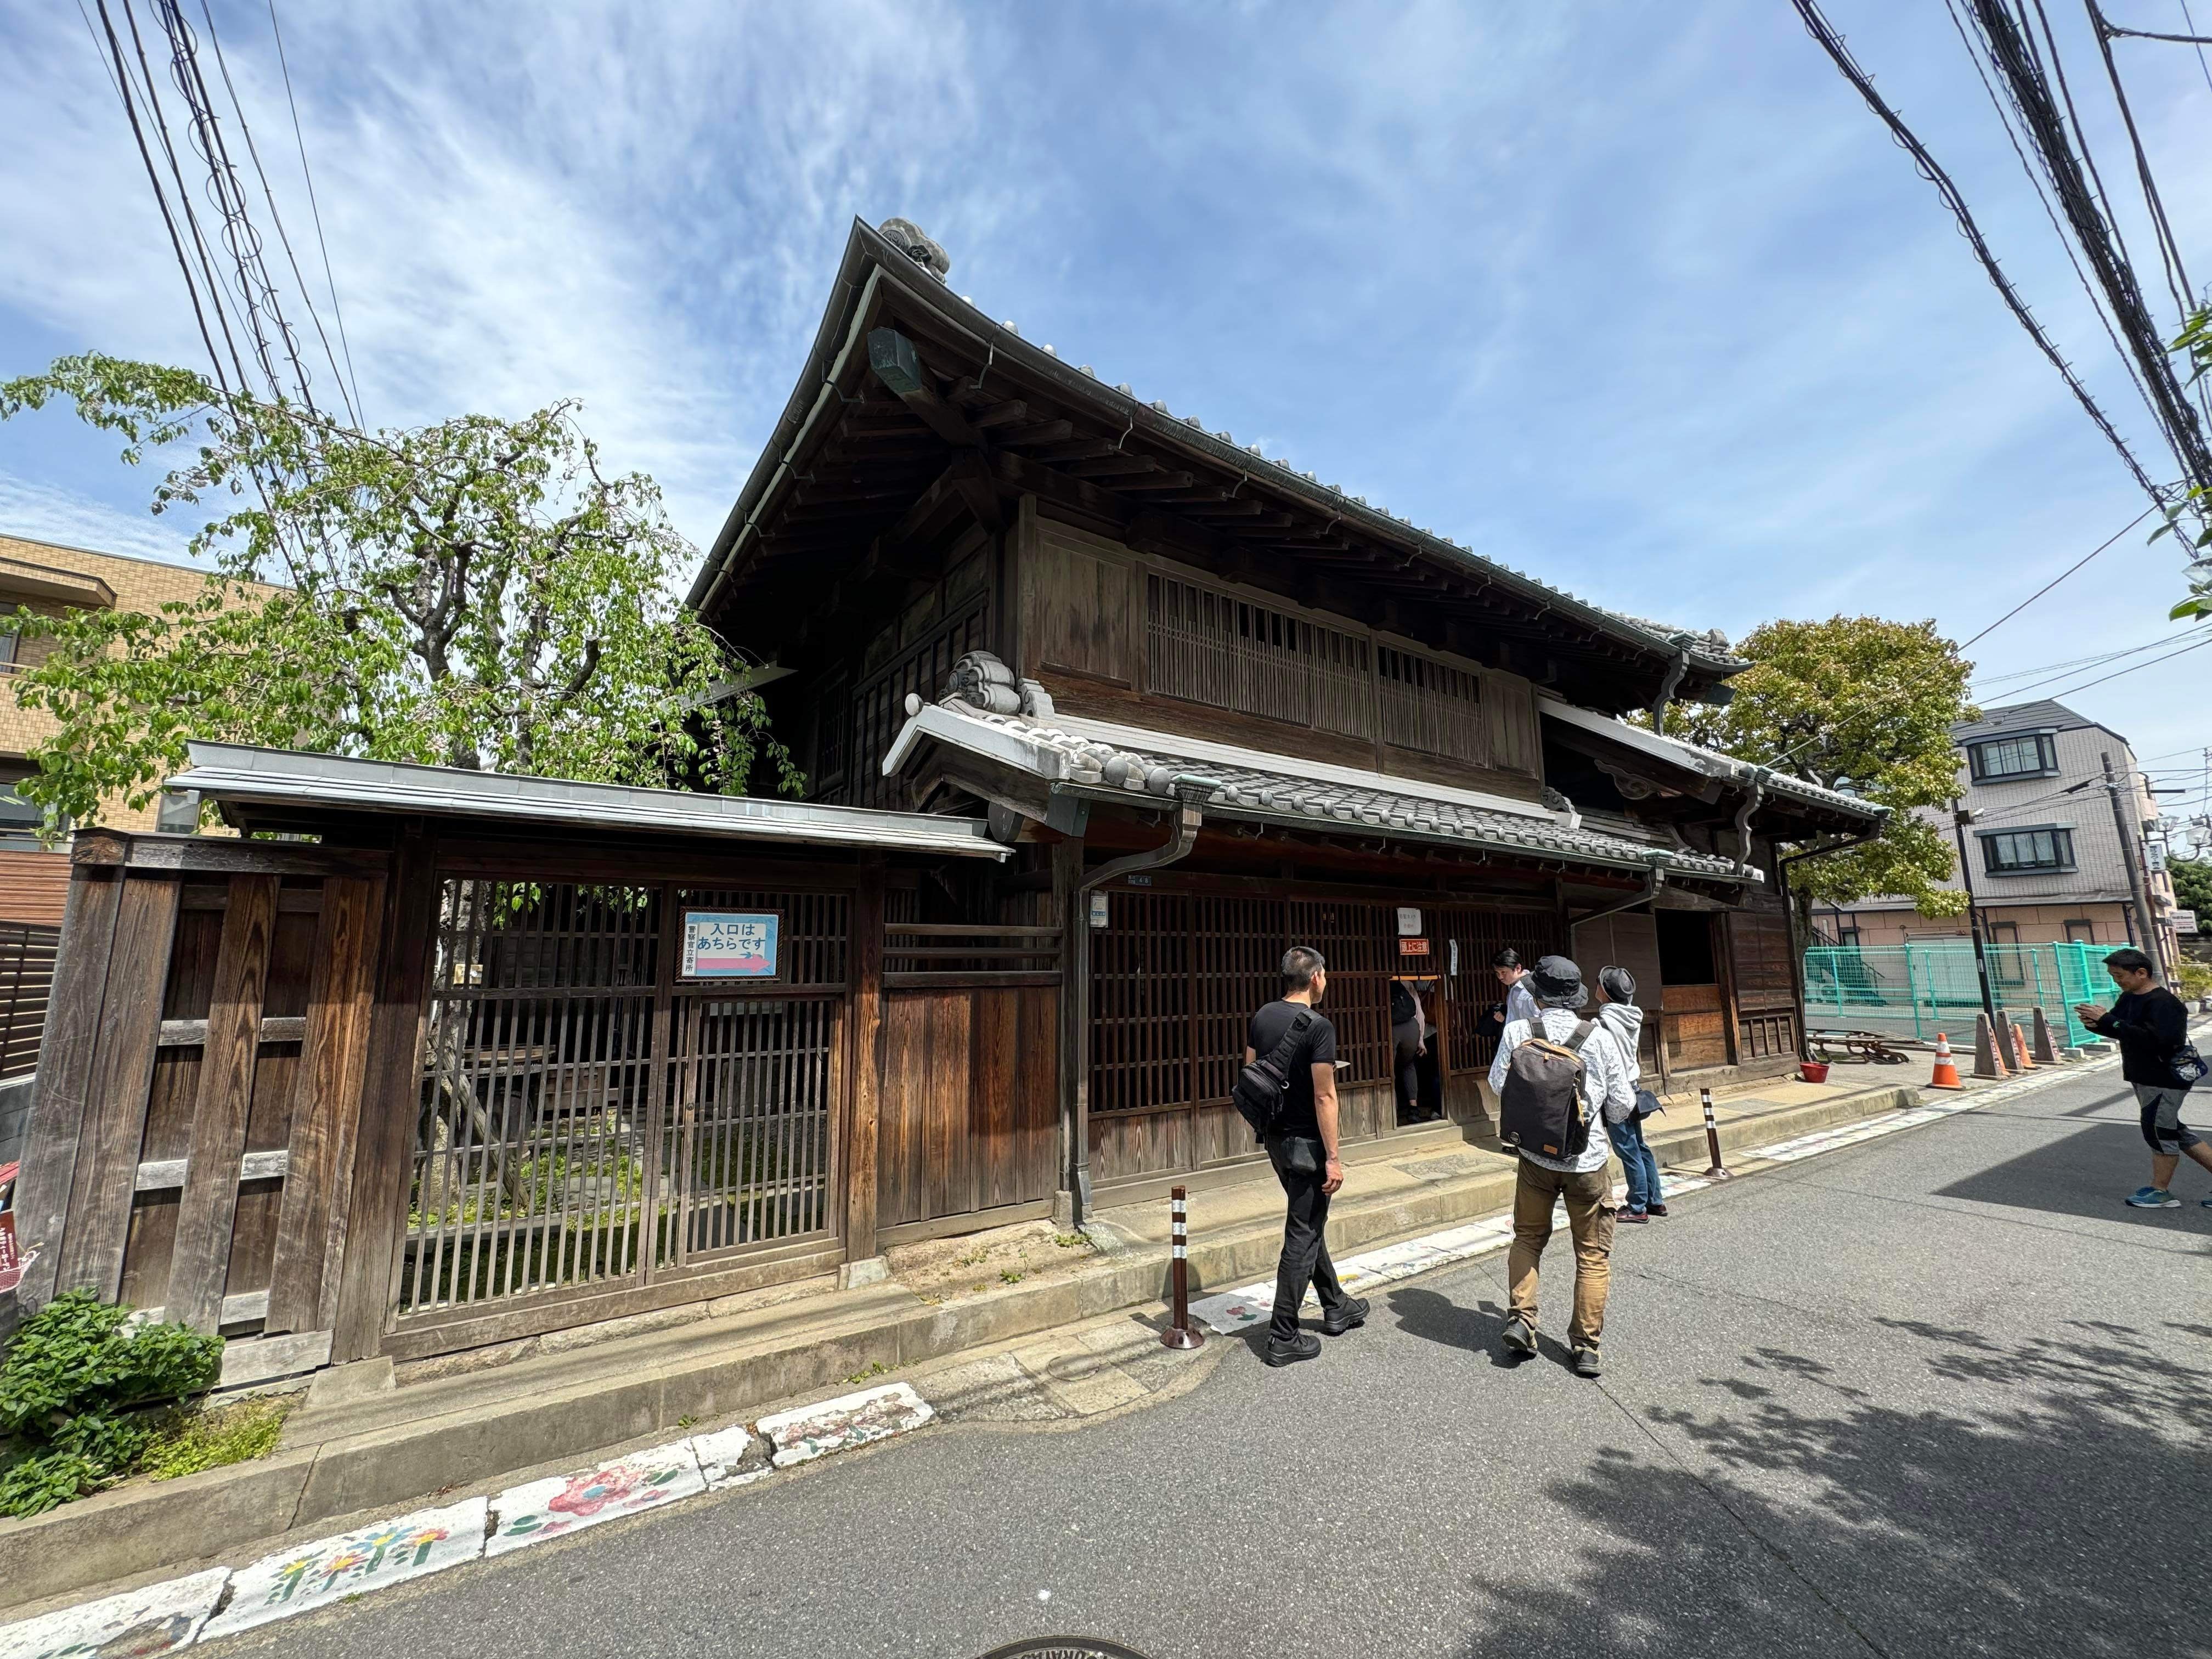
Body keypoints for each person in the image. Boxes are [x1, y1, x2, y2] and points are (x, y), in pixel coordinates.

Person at [1487, 954, 1635, 1377]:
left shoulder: (1519, 1030)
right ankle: (1585, 1345)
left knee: (1528, 1238)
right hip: (1586, 1161)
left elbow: (1499, 1083)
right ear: (1575, 997)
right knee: (1591, 1254)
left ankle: (1521, 1319)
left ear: (1538, 994)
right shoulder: (1599, 1036)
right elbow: (1623, 1105)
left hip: (1534, 1155)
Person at [1246, 946, 1369, 1366]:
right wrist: (1334, 1157)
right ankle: (1283, 1335)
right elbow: (1324, 1094)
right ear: (1316, 977)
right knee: (1302, 1233)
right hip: (1308, 1145)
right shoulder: (1319, 1026)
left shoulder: (1262, 1016)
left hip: (1277, 1141)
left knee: (1309, 1223)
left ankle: (1337, 1306)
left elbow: (1251, 1071)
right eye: (1326, 974)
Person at [2073, 946, 2210, 1209]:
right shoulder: (2129, 998)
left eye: (2119, 975)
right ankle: (2160, 1189)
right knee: (2175, 1131)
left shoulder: (2165, 1004)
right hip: (2143, 1076)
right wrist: (2096, 1022)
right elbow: (2123, 1030)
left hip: (2164, 1079)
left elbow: (2161, 1041)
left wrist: (2109, 1021)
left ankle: (2160, 1191)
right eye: (2113, 976)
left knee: (2159, 1132)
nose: (2117, 981)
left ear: (2142, 973)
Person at [1594, 966, 1666, 1223]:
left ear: (1606, 992)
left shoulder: (1601, 1023)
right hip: (1633, 1087)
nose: (1597, 987)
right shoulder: (1631, 1016)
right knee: (1640, 1146)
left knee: (1627, 1150)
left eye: (1600, 984)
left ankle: (1637, 1206)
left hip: (1616, 1092)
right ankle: (1655, 1200)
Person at [1390, 976, 1435, 1125]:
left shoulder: (1375, 982)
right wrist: (1420, 1039)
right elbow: (1419, 1012)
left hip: (1391, 1029)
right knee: (1408, 1065)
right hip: (1411, 1028)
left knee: (1387, 1071)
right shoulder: (1407, 983)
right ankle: (1413, 1110)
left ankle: (1391, 1111)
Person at [1487, 948, 1539, 1037]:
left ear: (1518, 968)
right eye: (1497, 973)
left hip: (1532, 1043)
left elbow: (1539, 1021)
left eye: (1504, 972)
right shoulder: (1514, 988)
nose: (1500, 977)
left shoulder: (1531, 988)